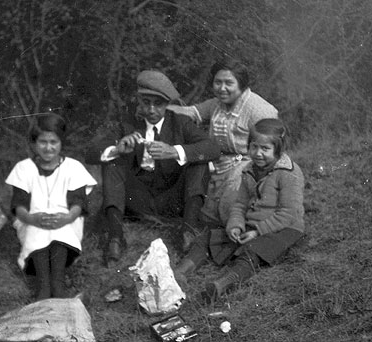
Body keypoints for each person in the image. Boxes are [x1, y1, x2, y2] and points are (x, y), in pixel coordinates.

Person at [85, 70, 221, 267]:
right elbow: (91, 153)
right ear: (139, 101)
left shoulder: (180, 123)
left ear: (167, 104)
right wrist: (117, 148)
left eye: (158, 104)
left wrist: (174, 151)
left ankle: (188, 230)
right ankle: (115, 237)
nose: (151, 109)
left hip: (172, 199)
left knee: (198, 162)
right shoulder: (127, 123)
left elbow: (212, 148)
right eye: (146, 102)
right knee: (113, 161)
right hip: (137, 200)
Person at [176, 118, 305, 302]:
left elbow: (288, 214)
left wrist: (257, 232)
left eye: (265, 149)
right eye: (254, 147)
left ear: (279, 149)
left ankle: (222, 285)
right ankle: (181, 272)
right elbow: (240, 204)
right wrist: (235, 225)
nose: (258, 153)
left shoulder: (288, 173)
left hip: (284, 228)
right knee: (208, 237)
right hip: (252, 224)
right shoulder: (249, 170)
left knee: (252, 251)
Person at [168, 59, 278, 228]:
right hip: (218, 165)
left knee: (230, 206)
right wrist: (162, 109)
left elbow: (272, 151)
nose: (222, 88)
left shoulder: (260, 110)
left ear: (241, 84)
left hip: (250, 167)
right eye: (217, 82)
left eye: (228, 83)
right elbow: (192, 112)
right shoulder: (216, 104)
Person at [5, 113, 97, 300]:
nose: (48, 148)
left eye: (53, 142)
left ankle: (58, 282)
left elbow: (78, 203)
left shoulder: (72, 167)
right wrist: (32, 218)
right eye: (43, 142)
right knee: (36, 233)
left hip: (65, 220)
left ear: (61, 143)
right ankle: (43, 286)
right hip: (32, 220)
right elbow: (19, 205)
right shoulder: (24, 168)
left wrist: (67, 218)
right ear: (34, 144)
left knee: (59, 233)